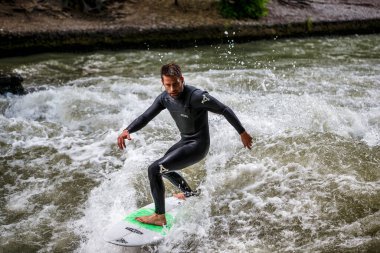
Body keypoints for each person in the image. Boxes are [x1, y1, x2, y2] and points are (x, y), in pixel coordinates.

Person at [117, 63, 253, 226]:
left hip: (198, 145)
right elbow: (146, 117)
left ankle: (160, 216)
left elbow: (224, 109)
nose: (172, 88)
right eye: (168, 85)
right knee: (163, 168)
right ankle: (190, 194)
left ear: (182, 79)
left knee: (154, 169)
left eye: (176, 84)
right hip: (185, 141)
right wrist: (128, 130)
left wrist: (242, 132)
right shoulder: (164, 98)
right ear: (163, 83)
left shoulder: (197, 96)